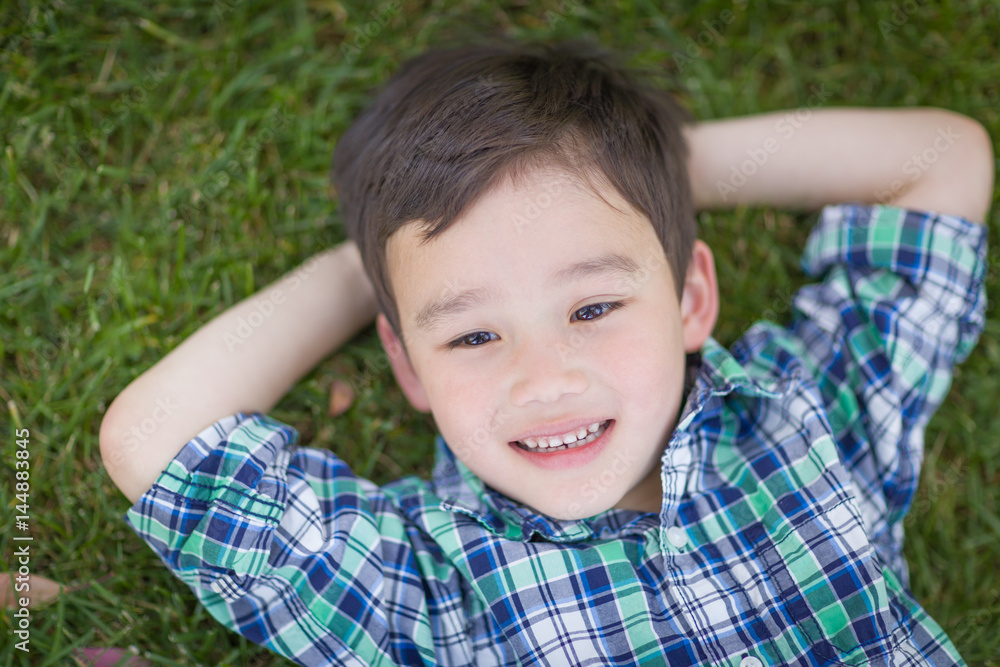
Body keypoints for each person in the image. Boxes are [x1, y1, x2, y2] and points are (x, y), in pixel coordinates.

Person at [100, 41, 993, 666]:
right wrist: (370, 268)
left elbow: (939, 159)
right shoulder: (433, 587)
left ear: (690, 296)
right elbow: (156, 437)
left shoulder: (804, 415)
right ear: (406, 364)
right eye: (471, 334)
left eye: (594, 306)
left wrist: (635, 172)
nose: (545, 378)